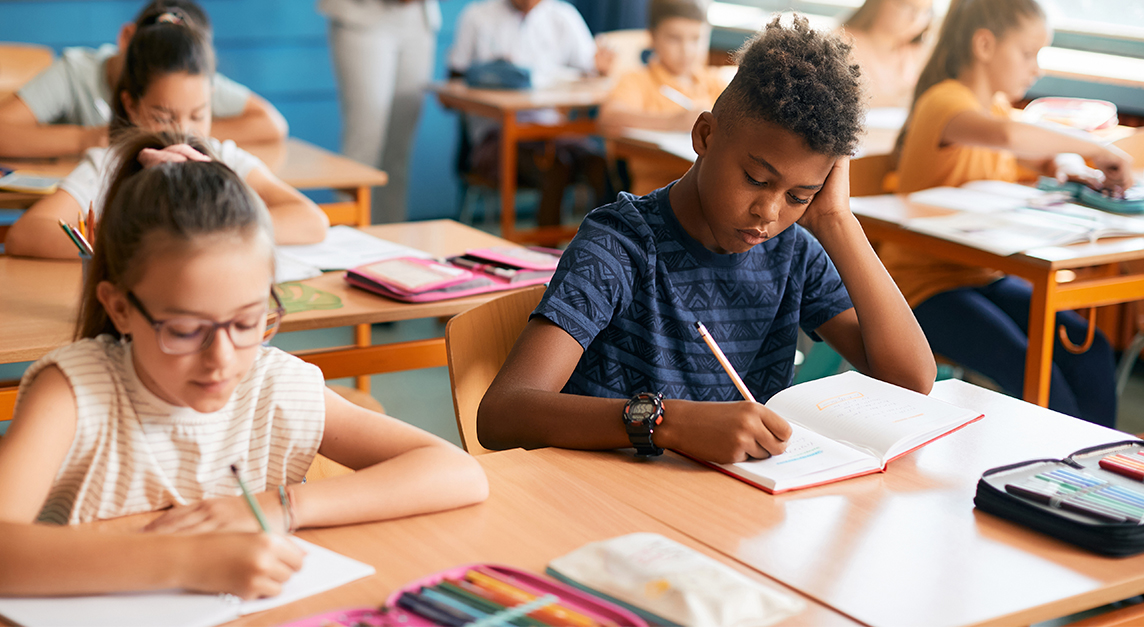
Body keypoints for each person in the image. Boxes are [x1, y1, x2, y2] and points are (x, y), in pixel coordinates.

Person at [0, 131, 488, 599]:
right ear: (119, 307)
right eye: (185, 330)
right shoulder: (75, 392)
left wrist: (282, 508)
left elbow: (457, 473)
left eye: (248, 322)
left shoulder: (272, 385)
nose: (223, 359)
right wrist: (191, 563)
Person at [477, 15, 936, 463]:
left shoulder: (792, 251)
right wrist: (668, 423)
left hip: (726, 509)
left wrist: (837, 219)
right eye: (756, 179)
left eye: (800, 195)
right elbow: (504, 412)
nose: (769, 213)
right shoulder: (621, 245)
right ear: (705, 135)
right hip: (606, 506)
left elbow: (911, 380)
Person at [884, 0, 1131, 428]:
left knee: (1089, 349)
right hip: (919, 290)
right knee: (1035, 371)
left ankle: (1094, 472)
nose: (1034, 69)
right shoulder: (946, 102)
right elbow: (1007, 136)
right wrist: (1097, 148)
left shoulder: (995, 108)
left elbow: (1041, 157)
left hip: (983, 276)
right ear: (984, 45)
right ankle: (1055, 477)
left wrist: (1068, 164)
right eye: (1027, 53)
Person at [4, 15, 327, 259]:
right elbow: (26, 234)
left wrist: (215, 235)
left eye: (198, 114)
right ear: (131, 105)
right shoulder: (112, 163)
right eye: (163, 117)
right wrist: (141, 245)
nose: (183, 131)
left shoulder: (221, 156)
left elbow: (311, 220)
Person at [0, 0, 287, 159]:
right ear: (126, 38)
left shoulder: (185, 79)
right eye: (162, 113)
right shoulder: (76, 71)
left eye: (196, 111)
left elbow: (271, 124)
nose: (163, 69)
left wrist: (183, 133)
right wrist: (88, 139)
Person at [448, 0, 615, 227]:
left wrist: (601, 70)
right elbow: (452, 86)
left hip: (552, 129)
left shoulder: (562, 16)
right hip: (496, 135)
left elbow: (591, 70)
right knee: (554, 165)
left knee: (598, 163)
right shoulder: (477, 16)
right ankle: (547, 254)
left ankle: (607, 249)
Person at [318, 0, 439, 224]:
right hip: (362, 15)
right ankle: (345, 242)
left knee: (398, 156)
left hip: (418, 18)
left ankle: (391, 242)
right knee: (364, 145)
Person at [600, 0, 727, 194]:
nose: (686, 49)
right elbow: (608, 119)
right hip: (656, 195)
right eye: (675, 38)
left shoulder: (713, 82)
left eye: (696, 39)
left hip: (711, 191)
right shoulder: (638, 80)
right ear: (652, 36)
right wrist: (674, 122)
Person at [841, 0, 934, 108]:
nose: (915, 18)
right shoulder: (843, 44)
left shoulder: (920, 53)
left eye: (925, 11)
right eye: (907, 6)